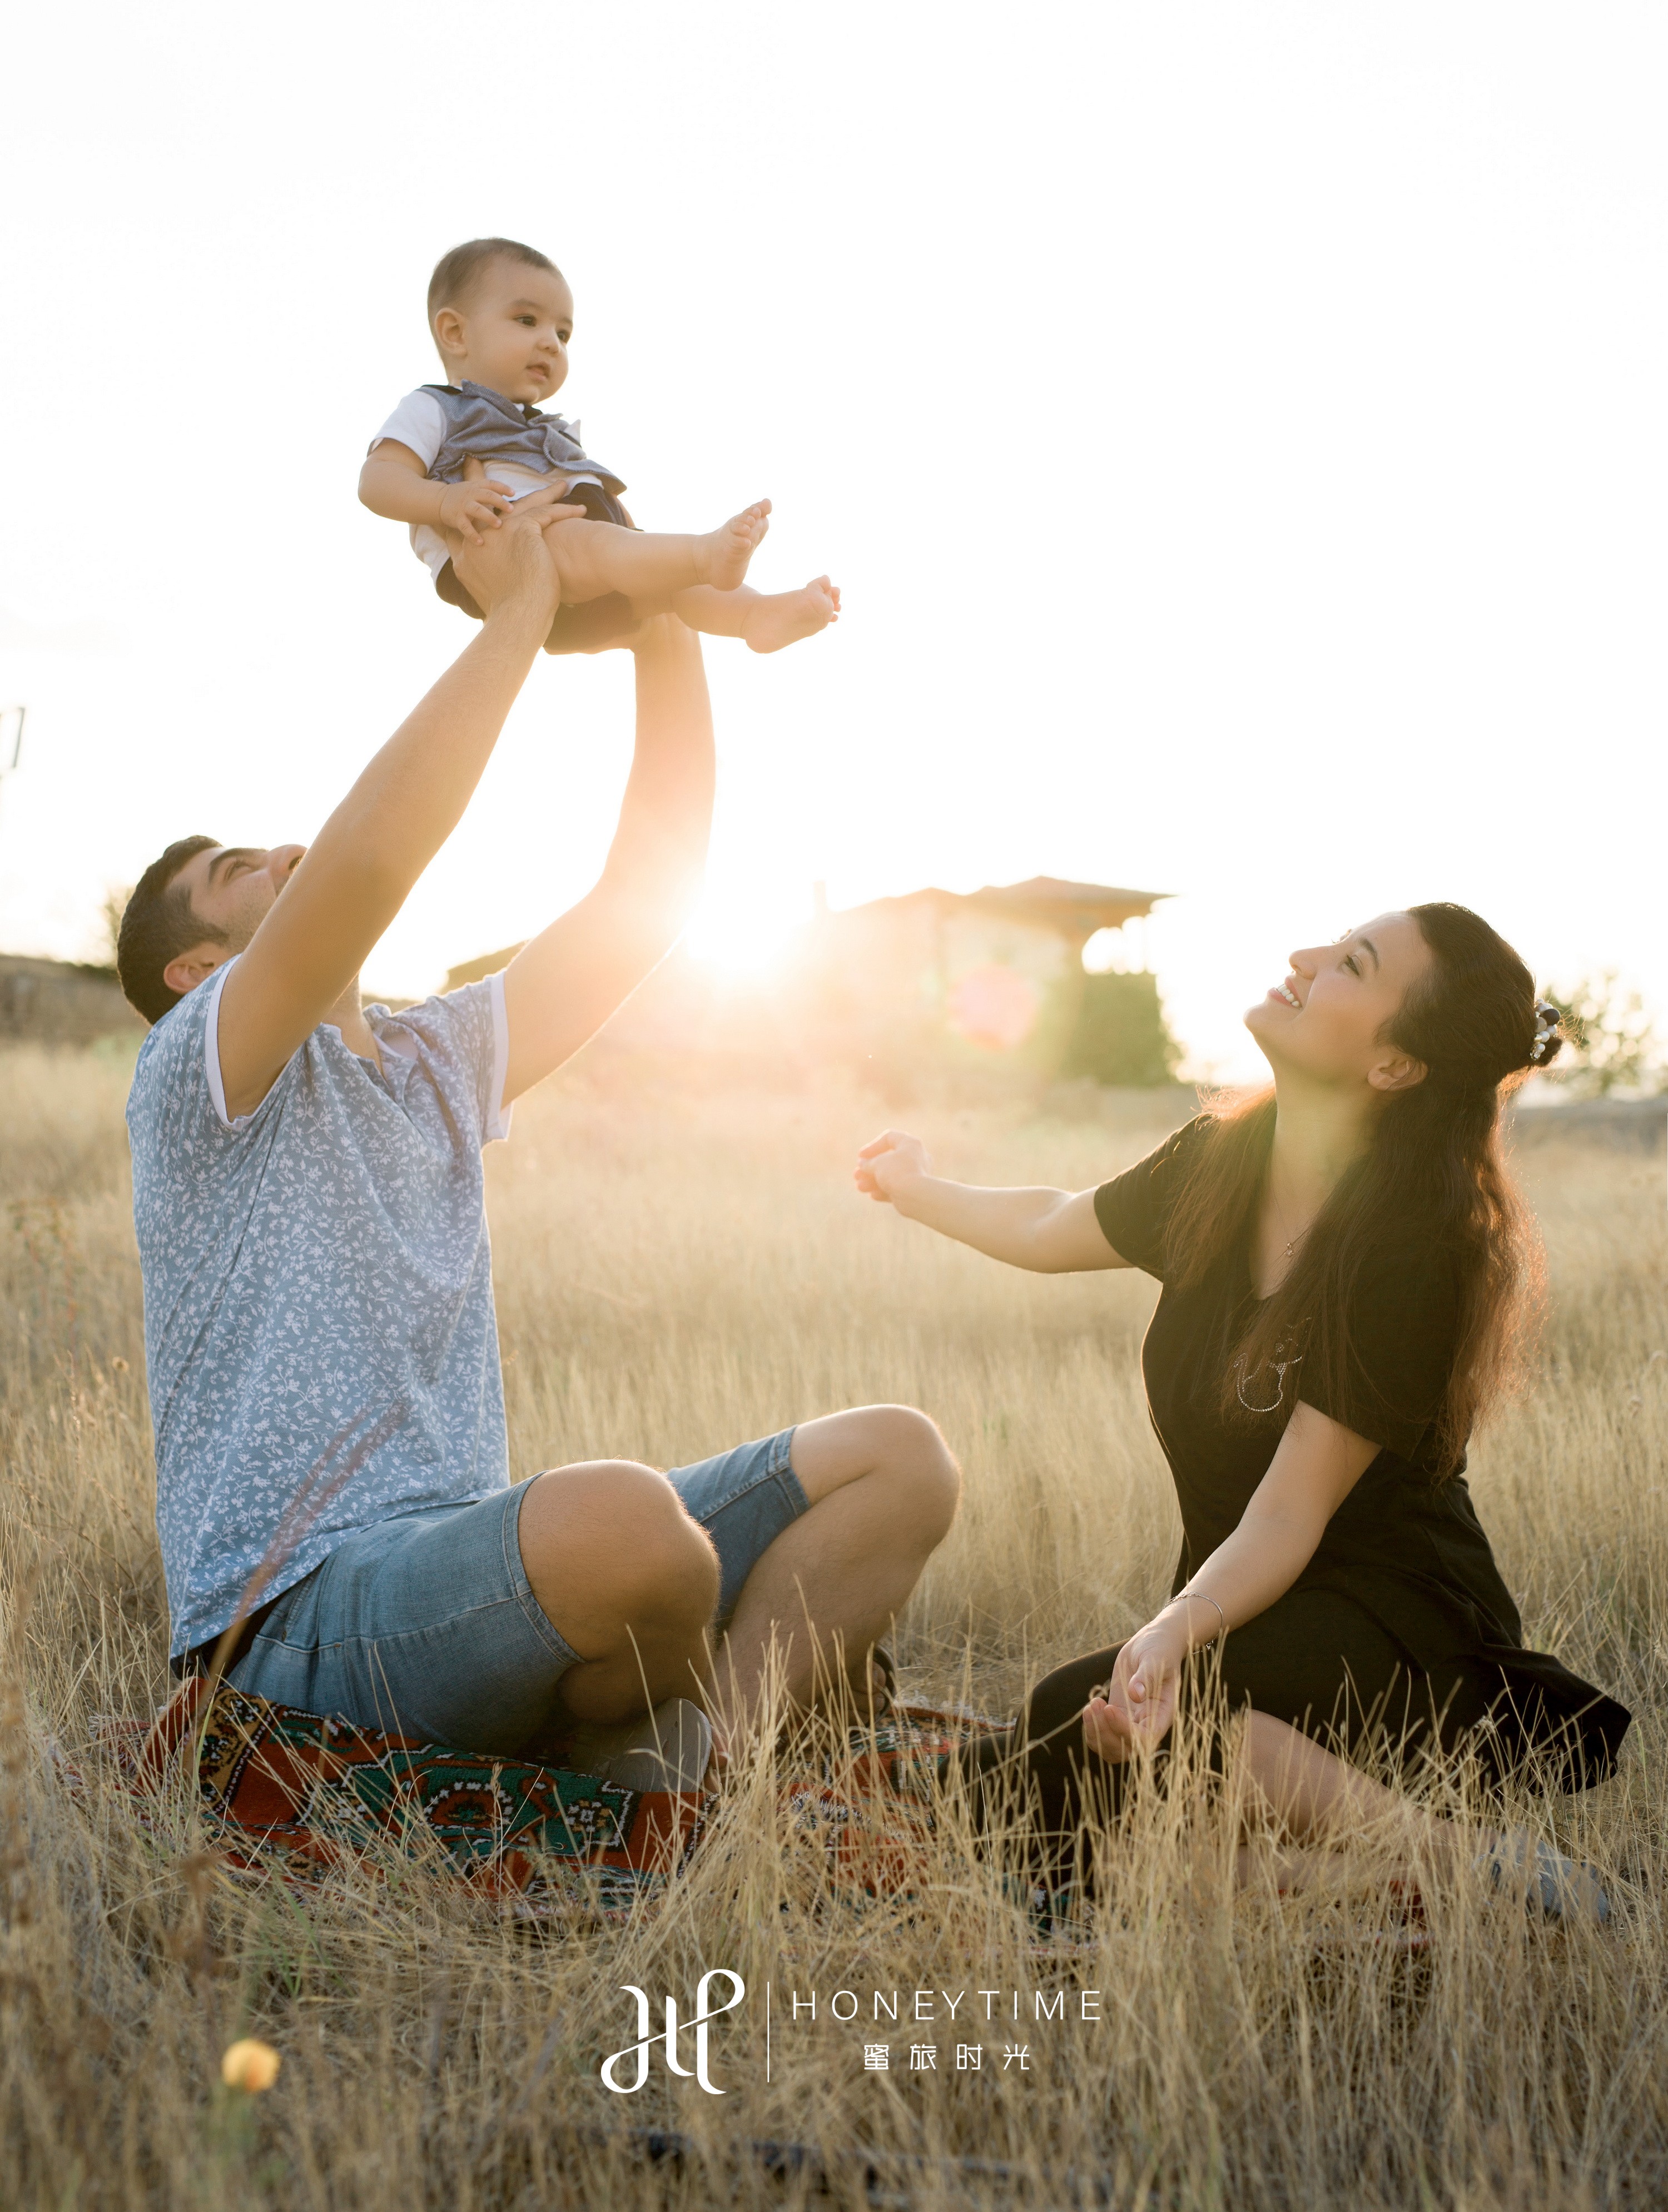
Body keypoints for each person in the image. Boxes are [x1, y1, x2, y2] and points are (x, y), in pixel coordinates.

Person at [117, 493, 955, 1788]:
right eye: (237, 867)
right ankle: (668, 1724)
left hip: (468, 1565)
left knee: (899, 1456)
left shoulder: (432, 1058)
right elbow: (371, 855)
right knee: (629, 1527)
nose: (283, 847)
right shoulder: (196, 1073)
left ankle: (701, 1781)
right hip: (291, 1618)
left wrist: (659, 614)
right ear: (194, 967)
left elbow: (647, 895)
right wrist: (517, 606)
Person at [856, 906, 1630, 1916]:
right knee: (1063, 1782)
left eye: (1351, 964)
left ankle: (1469, 1862)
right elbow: (1052, 1222)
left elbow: (1288, 1516)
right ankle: (1311, 1880)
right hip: (1249, 1619)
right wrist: (915, 1186)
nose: (1304, 960)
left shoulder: (1415, 1248)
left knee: (1076, 1725)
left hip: (1397, 1634)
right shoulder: (1222, 1160)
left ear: (1395, 1065)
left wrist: (1174, 1631)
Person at [360, 235, 841, 657]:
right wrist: (445, 501)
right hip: (515, 563)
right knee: (606, 547)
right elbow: (378, 480)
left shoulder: (550, 428)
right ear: (456, 332)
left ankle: (753, 616)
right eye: (527, 320)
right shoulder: (437, 408)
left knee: (671, 584)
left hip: (592, 576)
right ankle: (705, 555)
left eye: (563, 332)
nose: (551, 342)